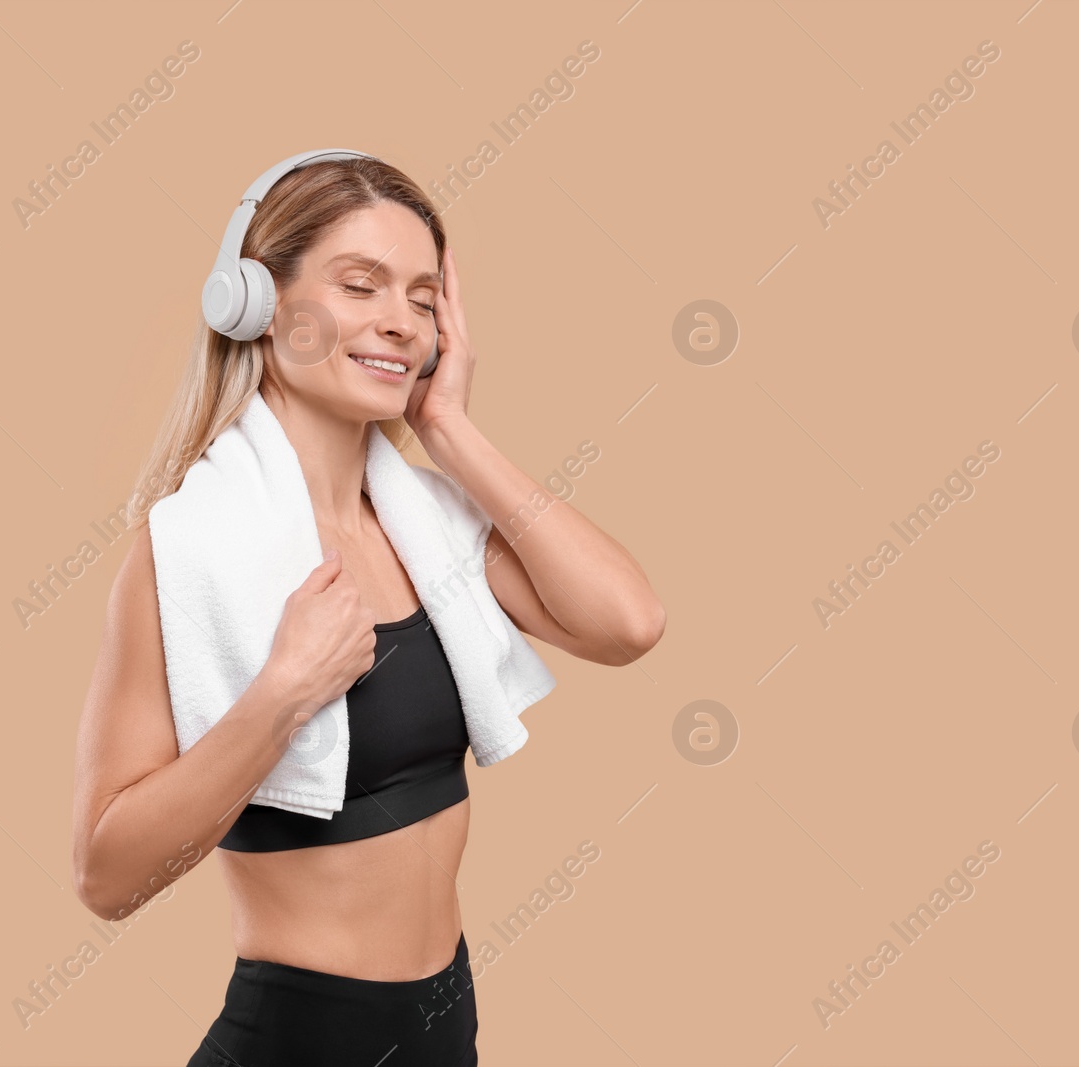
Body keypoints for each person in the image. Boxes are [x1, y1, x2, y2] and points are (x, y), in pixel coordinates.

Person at [69, 154, 665, 1065]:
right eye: (361, 285)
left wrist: (450, 431)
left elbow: (627, 623)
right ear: (256, 304)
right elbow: (106, 875)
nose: (401, 321)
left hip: (443, 1031)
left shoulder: (431, 527)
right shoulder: (186, 550)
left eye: (425, 300)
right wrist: (283, 695)